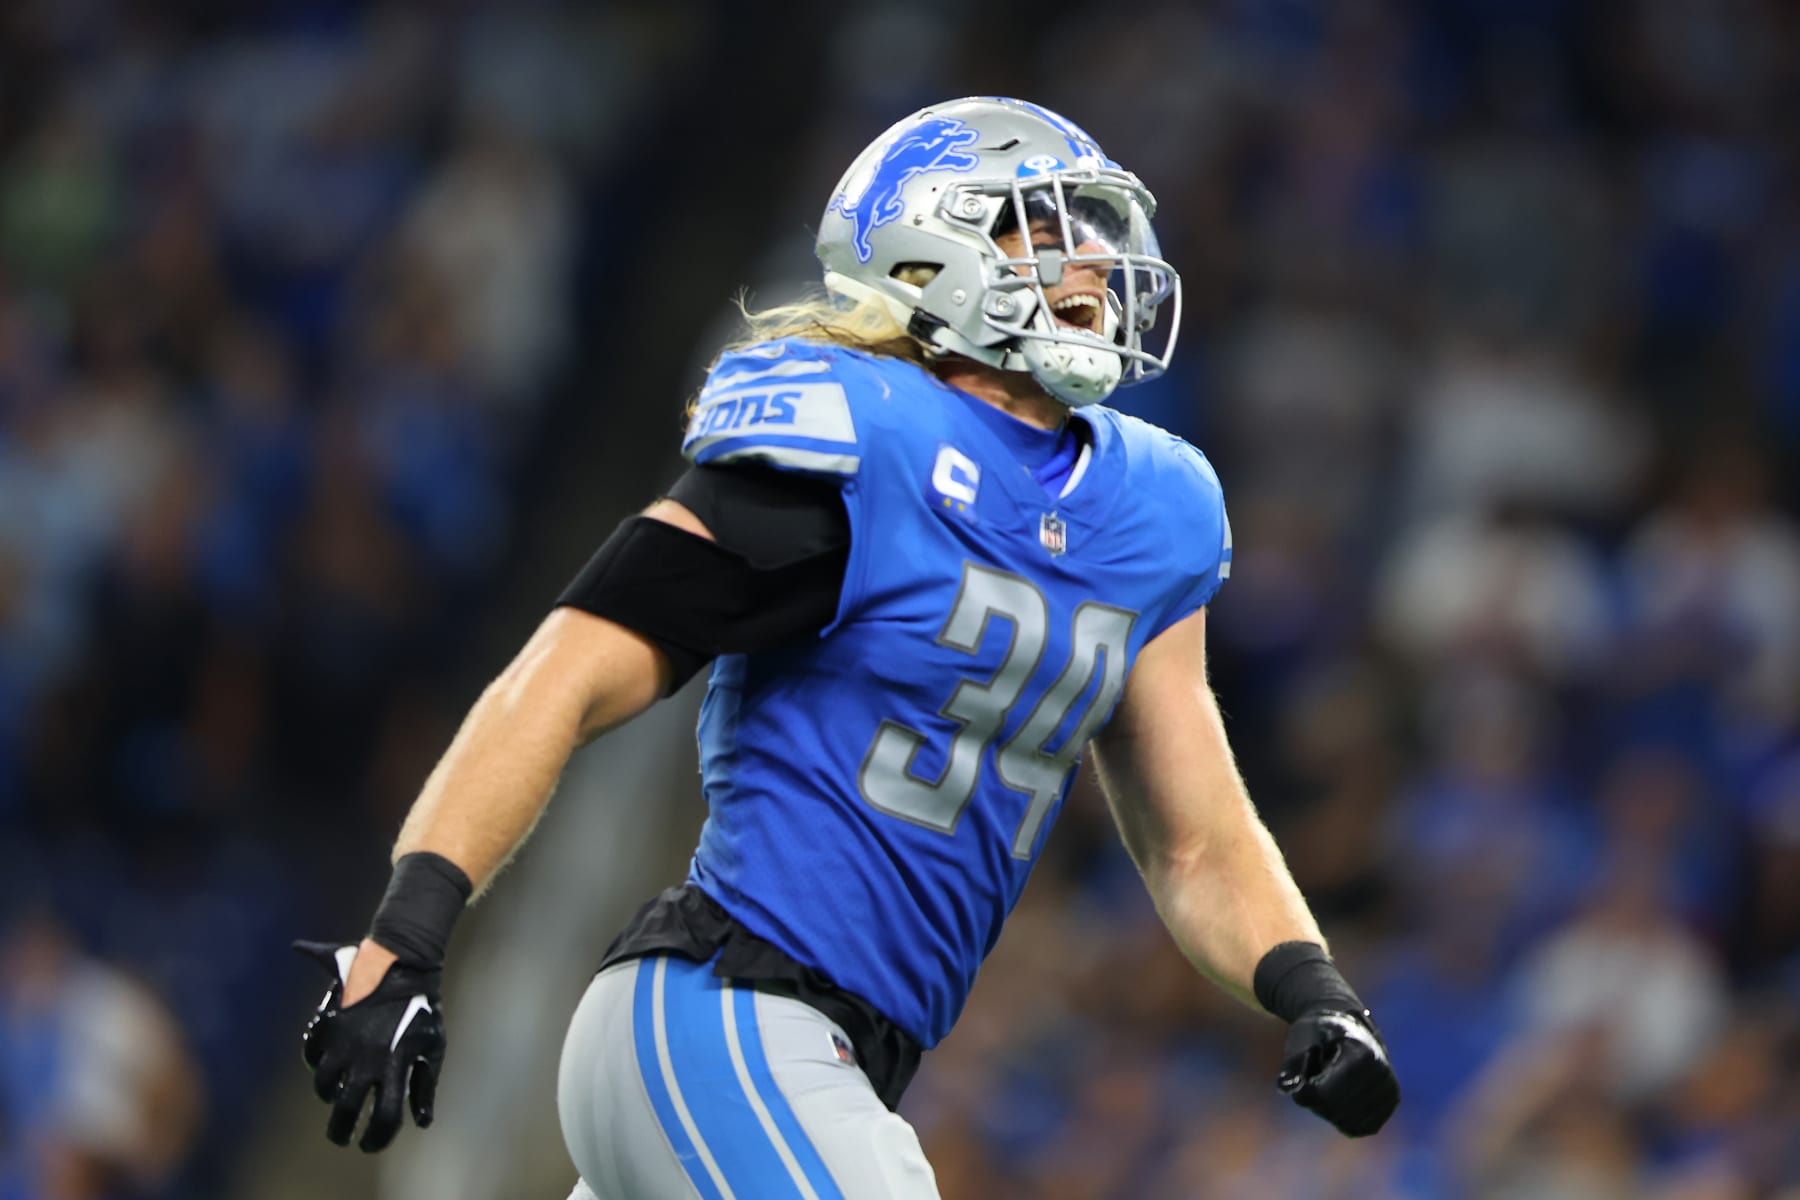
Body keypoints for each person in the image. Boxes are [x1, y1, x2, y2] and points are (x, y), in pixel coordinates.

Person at [295, 96, 1401, 1196]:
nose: (1094, 263)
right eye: (1048, 225)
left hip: (825, 1072)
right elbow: (570, 670)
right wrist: (404, 940)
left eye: (1101, 232)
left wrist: (1314, 990)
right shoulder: (858, 432)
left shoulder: (1156, 506)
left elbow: (1197, 838)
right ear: (930, 250)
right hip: (723, 1020)